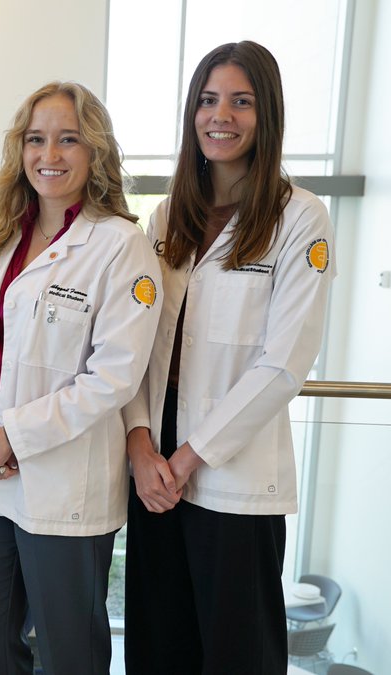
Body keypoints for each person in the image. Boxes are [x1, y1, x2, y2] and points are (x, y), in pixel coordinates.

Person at [122, 41, 336, 674]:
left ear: (266, 114)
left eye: (241, 102)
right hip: (155, 467)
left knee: (238, 655)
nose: (222, 116)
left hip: (234, 478)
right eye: (209, 100)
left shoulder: (301, 219)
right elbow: (135, 345)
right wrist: (139, 444)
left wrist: (189, 457)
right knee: (158, 649)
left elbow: (284, 363)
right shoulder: (167, 216)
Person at [0, 81, 161, 675]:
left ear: (95, 152)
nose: (50, 155)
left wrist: (11, 436)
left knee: (70, 657)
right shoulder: (1, 237)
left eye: (69, 140)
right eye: (36, 139)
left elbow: (114, 376)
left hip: (66, 489)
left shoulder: (119, 246)